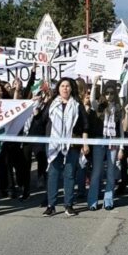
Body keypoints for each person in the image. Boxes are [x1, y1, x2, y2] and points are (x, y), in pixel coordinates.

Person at [44, 78, 88, 217]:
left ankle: (68, 205)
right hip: (54, 143)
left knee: (69, 174)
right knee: (53, 174)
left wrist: (85, 143)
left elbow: (85, 124)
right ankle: (51, 205)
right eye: (62, 86)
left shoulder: (77, 104)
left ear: (71, 88)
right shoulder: (52, 103)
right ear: (58, 88)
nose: (65, 88)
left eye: (67, 86)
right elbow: (41, 119)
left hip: (72, 144)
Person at [88, 90, 121, 211]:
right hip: (99, 141)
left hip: (113, 141)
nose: (109, 95)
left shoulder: (118, 108)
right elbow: (92, 102)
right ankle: (92, 201)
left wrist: (121, 146)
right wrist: (94, 84)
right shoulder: (100, 106)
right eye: (107, 93)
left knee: (111, 172)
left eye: (112, 93)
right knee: (97, 171)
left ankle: (108, 200)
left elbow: (120, 129)